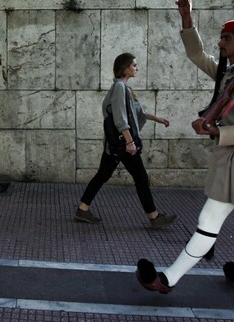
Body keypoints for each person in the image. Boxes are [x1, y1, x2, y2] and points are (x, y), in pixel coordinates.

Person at [136, 0, 234, 296]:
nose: (221, 43)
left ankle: (168, 280)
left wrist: (215, 132)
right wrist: (186, 19)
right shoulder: (231, 73)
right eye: (220, 38)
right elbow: (198, 55)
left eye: (227, 39)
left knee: (209, 219)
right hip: (233, 155)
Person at [74, 52, 178, 229]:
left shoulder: (124, 88)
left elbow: (137, 113)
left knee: (103, 175)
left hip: (116, 145)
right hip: (123, 144)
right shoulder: (120, 88)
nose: (136, 68)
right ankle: (154, 217)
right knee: (141, 177)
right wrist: (130, 142)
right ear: (125, 68)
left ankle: (82, 209)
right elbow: (121, 119)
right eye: (134, 65)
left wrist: (157, 119)